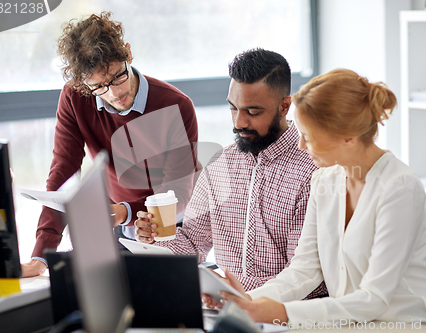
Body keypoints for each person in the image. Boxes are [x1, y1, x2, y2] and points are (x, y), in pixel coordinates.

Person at [220, 69, 426, 326]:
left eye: (309, 137)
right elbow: (305, 270)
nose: (300, 145)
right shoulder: (325, 180)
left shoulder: (399, 188)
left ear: (348, 138)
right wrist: (248, 301)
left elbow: (374, 299)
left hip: (411, 322)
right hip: (357, 320)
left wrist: (283, 313)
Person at [135, 48, 327, 297]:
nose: (238, 123)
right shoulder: (220, 164)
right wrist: (158, 237)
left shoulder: (313, 170)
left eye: (252, 112)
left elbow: (306, 278)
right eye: (233, 108)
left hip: (287, 316)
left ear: (284, 106)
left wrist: (228, 288)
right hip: (226, 307)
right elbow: (193, 242)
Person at [22, 12, 198, 277]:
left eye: (118, 76)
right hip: (115, 219)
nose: (115, 94)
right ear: (83, 84)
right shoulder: (75, 97)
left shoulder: (175, 105)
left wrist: (124, 212)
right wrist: (41, 255)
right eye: (99, 87)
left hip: (169, 225)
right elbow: (63, 174)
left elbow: (178, 190)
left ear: (127, 53)